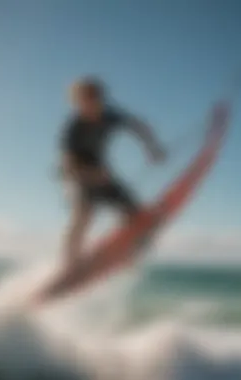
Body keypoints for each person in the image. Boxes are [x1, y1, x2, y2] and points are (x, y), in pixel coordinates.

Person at [59, 76, 167, 271]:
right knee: (83, 213)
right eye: (82, 103)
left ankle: (135, 246)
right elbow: (67, 165)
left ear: (100, 99)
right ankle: (69, 263)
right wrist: (91, 175)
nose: (90, 107)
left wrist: (153, 148)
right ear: (77, 103)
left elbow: (139, 126)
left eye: (94, 100)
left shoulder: (110, 116)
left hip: (103, 174)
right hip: (78, 176)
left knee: (133, 210)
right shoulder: (74, 128)